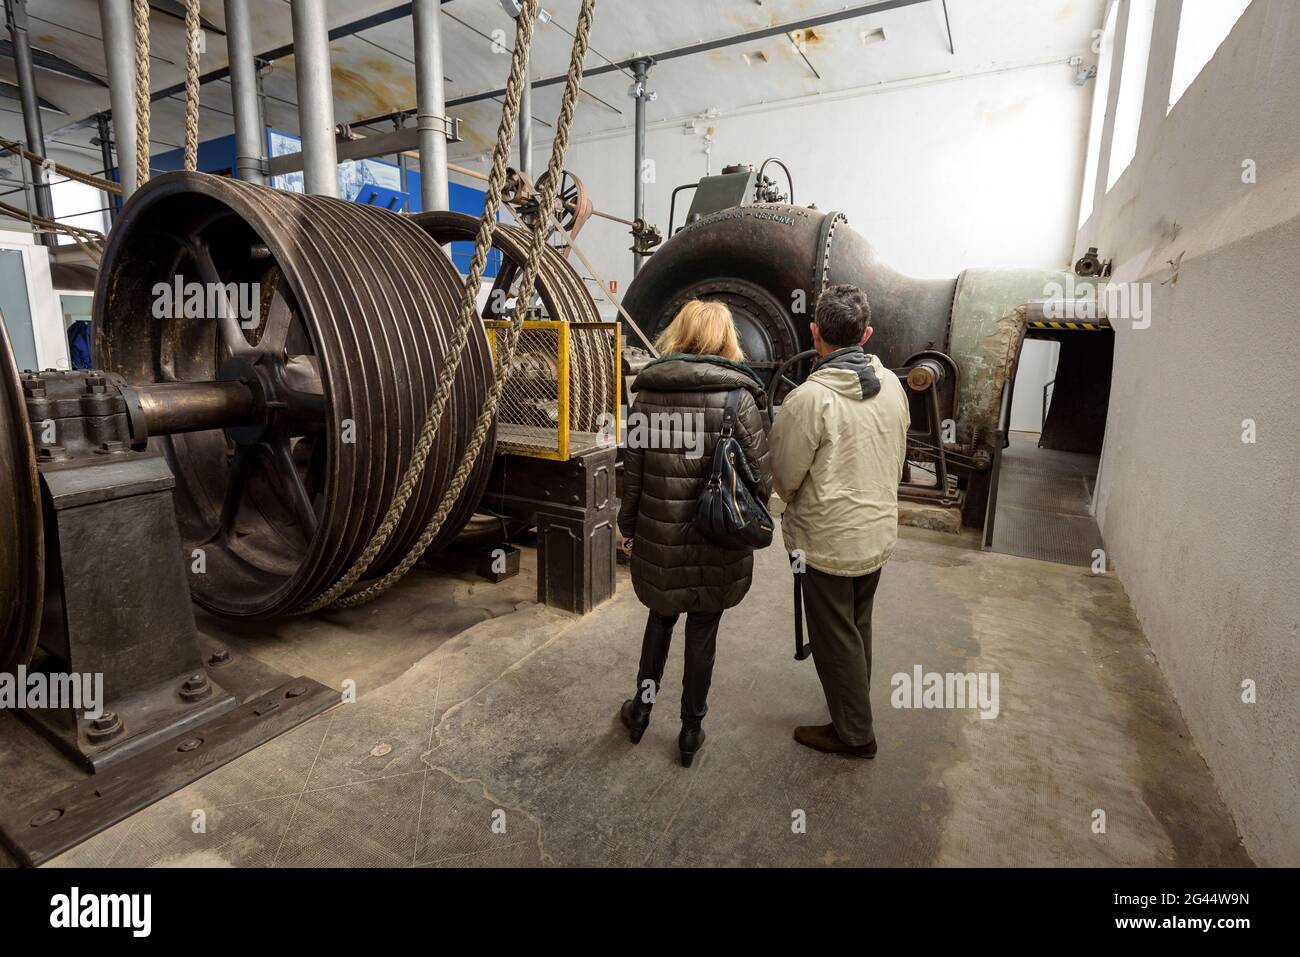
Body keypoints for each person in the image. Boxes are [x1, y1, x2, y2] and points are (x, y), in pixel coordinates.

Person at [617, 299, 771, 767]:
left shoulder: (648, 396)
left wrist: (628, 529)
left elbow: (634, 476)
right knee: (703, 628)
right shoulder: (739, 399)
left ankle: (641, 711)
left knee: (660, 618)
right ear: (728, 338)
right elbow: (761, 482)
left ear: (678, 334)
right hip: (717, 536)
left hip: (659, 538)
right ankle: (690, 730)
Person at [768, 284, 909, 758]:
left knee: (832, 637)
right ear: (866, 333)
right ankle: (854, 706)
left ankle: (854, 734)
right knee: (857, 623)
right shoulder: (892, 386)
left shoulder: (808, 399)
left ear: (814, 333)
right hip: (876, 534)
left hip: (826, 544)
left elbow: (786, 477)